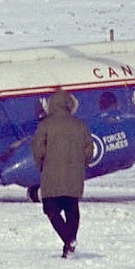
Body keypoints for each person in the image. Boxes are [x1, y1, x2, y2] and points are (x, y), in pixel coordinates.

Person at [31, 89, 94, 258]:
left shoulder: (45, 125)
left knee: (51, 209)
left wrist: (41, 165)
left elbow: (37, 148)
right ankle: (70, 244)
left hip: (51, 174)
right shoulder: (80, 125)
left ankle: (68, 240)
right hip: (74, 175)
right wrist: (82, 164)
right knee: (72, 209)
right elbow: (89, 149)